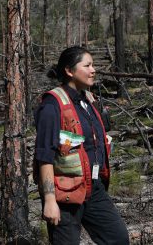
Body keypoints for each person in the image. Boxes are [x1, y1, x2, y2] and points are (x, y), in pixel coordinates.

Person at [33, 46, 129, 245]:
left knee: (118, 238)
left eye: (92, 65)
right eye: (87, 65)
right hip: (64, 194)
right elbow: (44, 155)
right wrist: (50, 200)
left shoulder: (86, 100)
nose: (93, 70)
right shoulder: (52, 105)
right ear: (70, 71)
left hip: (93, 187)